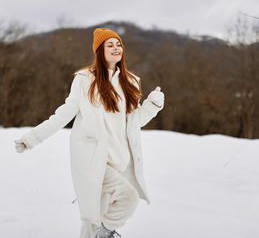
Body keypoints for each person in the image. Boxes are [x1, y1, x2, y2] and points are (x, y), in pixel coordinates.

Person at [14, 27, 164, 238]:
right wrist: (31, 139)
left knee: (92, 221)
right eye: (109, 45)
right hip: (93, 160)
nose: (116, 48)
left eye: (118, 44)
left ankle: (100, 233)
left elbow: (132, 122)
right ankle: (106, 232)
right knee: (127, 198)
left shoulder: (130, 82)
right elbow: (63, 115)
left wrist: (152, 106)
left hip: (119, 161)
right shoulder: (85, 80)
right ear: (100, 51)